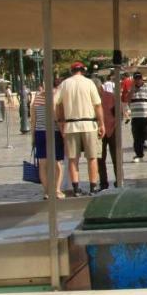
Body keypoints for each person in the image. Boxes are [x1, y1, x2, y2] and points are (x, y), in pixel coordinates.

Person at [55, 62, 104, 196]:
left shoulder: (64, 84)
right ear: (82, 70)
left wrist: (60, 120)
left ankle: (76, 188)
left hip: (71, 125)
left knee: (72, 158)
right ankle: (93, 187)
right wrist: (102, 123)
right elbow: (98, 105)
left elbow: (56, 103)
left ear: (71, 71)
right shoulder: (89, 83)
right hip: (89, 124)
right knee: (92, 157)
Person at [30, 79, 65, 199]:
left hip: (40, 133)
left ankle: (46, 191)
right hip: (54, 132)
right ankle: (57, 190)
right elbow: (57, 117)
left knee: (43, 164)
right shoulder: (56, 97)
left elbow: (33, 120)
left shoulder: (37, 98)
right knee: (57, 164)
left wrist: (33, 136)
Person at [127, 72, 147, 162]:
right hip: (135, 117)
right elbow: (128, 100)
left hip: (146, 117)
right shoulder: (131, 88)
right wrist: (132, 90)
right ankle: (139, 155)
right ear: (134, 79)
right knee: (137, 138)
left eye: (139, 78)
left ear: (142, 78)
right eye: (136, 79)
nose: (138, 80)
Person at [97, 79, 119, 191]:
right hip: (99, 132)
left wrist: (115, 125)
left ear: (101, 87)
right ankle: (103, 183)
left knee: (116, 157)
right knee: (100, 159)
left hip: (112, 129)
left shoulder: (110, 96)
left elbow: (118, 112)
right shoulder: (91, 97)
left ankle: (119, 181)